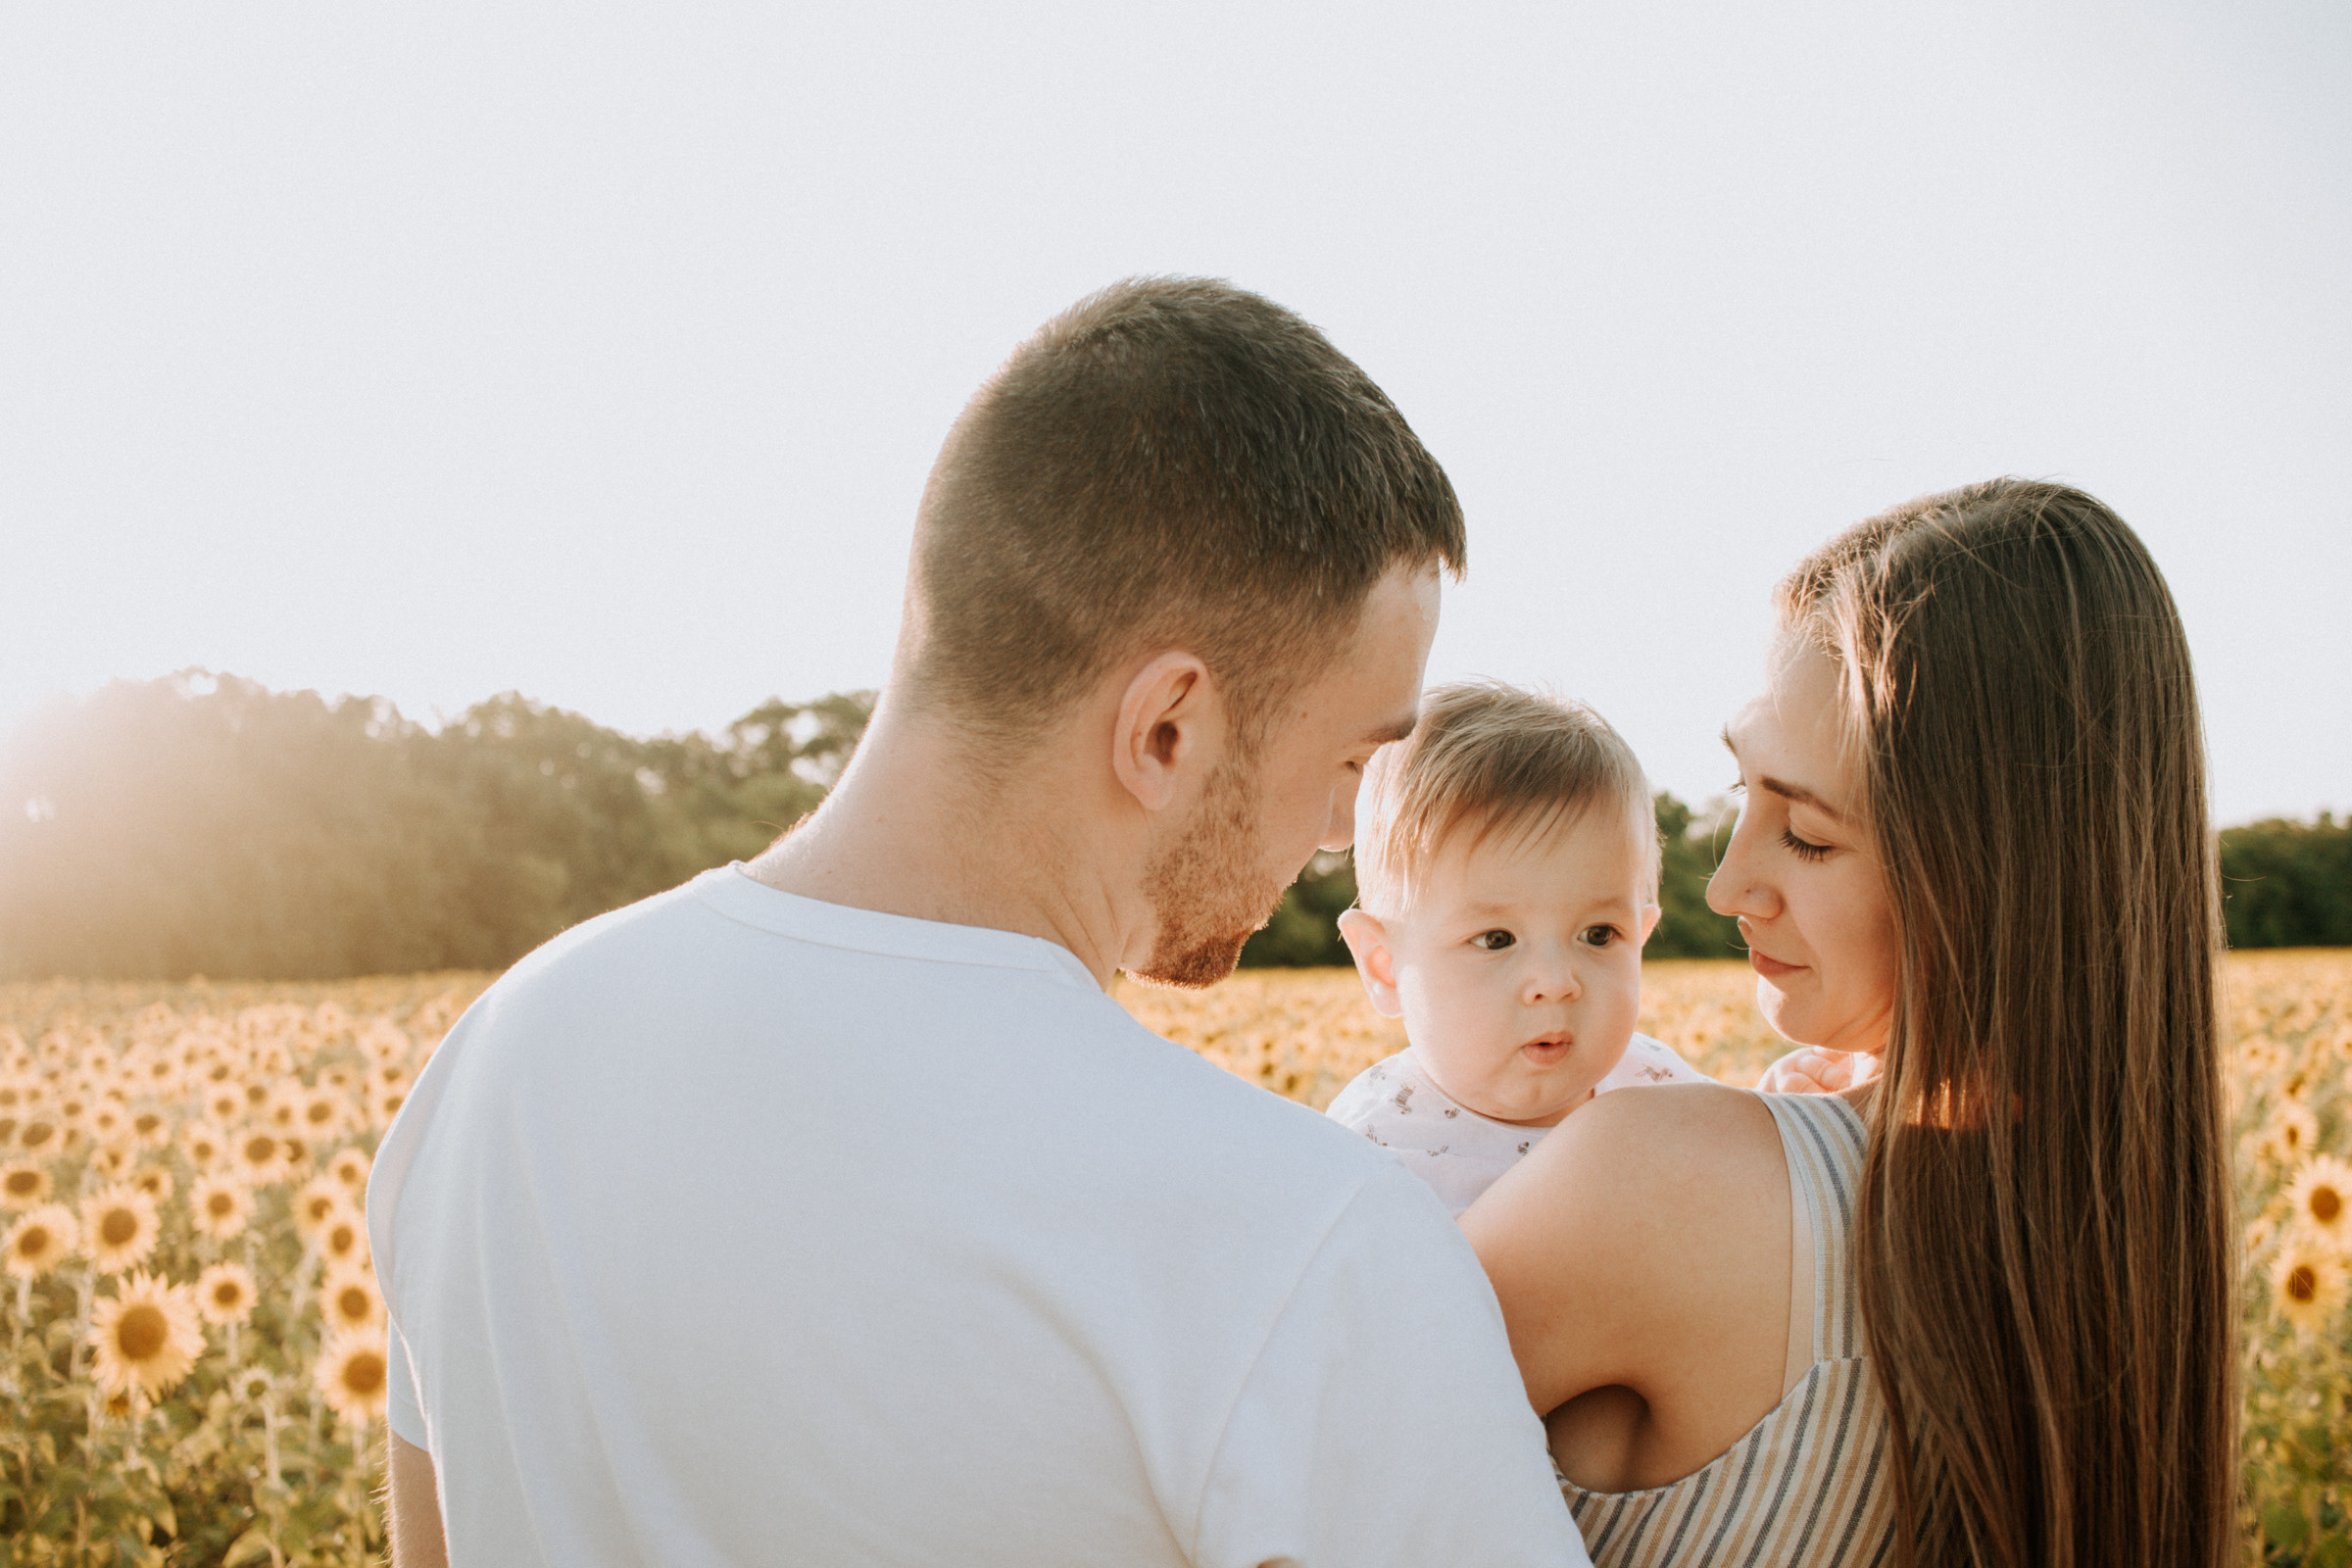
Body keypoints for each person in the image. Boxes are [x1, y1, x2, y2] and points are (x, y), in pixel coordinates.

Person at [368, 278, 1589, 1567]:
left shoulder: (494, 1068)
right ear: (1167, 729)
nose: (1342, 833)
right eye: (1350, 762)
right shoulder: (1304, 1246)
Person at [1464, 480, 2235, 1567]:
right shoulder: (2130, 1260)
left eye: (1810, 837)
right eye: (1744, 792)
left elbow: (1233, 1481)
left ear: (1991, 880)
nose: (1727, 884)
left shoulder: (1662, 1183)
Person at [1324, 681, 1706, 1216]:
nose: (1556, 981)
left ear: (1640, 938)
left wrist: (1777, 1114)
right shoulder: (1368, 1157)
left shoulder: (1661, 1089)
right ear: (1384, 967)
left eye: (1599, 935)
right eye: (1496, 940)